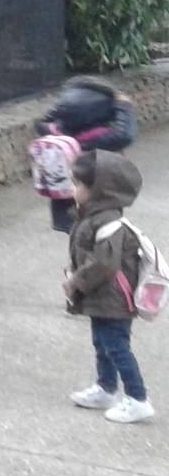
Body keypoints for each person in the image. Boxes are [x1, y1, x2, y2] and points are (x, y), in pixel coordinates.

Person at [65, 150, 154, 424]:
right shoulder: (92, 217)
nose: (73, 189)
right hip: (102, 296)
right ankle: (106, 388)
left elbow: (104, 264)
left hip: (114, 298)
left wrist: (75, 281)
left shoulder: (109, 223)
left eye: (78, 184)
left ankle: (138, 399)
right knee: (102, 343)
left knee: (116, 346)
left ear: (99, 191)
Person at [38, 78, 137, 234]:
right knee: (94, 240)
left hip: (63, 204)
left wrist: (58, 109)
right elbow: (125, 135)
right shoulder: (97, 138)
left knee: (76, 237)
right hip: (96, 206)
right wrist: (124, 106)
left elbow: (41, 123)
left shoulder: (56, 132)